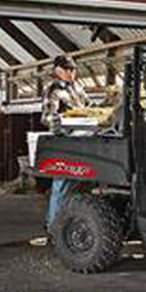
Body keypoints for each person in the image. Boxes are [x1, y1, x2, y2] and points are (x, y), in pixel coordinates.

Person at [42, 54, 90, 228]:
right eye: (67, 69)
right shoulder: (53, 89)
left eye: (73, 69)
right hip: (64, 142)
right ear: (57, 70)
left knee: (79, 185)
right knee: (62, 184)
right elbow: (47, 117)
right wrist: (63, 125)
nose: (71, 72)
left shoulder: (78, 87)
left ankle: (71, 224)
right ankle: (53, 227)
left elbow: (88, 107)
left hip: (82, 140)